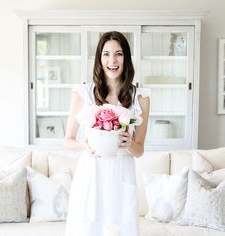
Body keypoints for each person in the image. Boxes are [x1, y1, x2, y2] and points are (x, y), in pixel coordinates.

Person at [64, 31, 150, 236]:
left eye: (119, 54)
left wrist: (129, 142)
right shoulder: (83, 93)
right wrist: (84, 145)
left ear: (126, 58)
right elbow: (68, 140)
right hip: (91, 174)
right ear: (99, 58)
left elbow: (139, 151)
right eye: (106, 54)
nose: (112, 60)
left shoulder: (140, 97)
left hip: (122, 175)